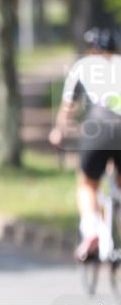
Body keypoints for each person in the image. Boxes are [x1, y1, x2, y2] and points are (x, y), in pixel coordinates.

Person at [49, 25, 121, 261]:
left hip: (99, 124)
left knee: (87, 183)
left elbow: (68, 107)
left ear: (91, 49)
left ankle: (91, 232)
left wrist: (59, 132)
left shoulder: (82, 66)